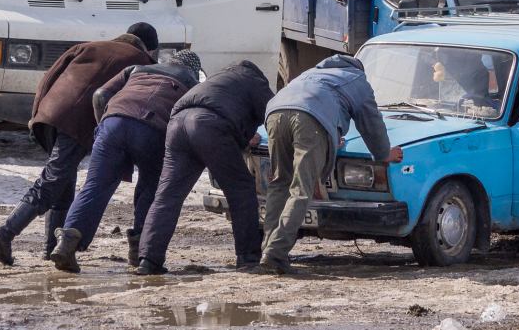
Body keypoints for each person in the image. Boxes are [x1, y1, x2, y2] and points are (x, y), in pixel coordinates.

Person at [0, 25, 157, 266]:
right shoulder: (141, 61)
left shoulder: (88, 46)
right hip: (77, 121)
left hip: (49, 112)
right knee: (52, 182)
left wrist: (36, 115)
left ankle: (50, 250)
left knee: (62, 182)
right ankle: (6, 232)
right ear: (148, 47)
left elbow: (48, 77)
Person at [50, 50, 202, 273]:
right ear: (194, 70)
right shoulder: (191, 83)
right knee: (150, 189)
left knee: (94, 186)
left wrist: (103, 125)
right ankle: (140, 252)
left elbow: (100, 95)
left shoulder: (136, 69)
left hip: (113, 123)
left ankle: (67, 241)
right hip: (153, 130)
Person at [260, 55, 403, 274]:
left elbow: (317, 102)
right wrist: (384, 154)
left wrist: (330, 134)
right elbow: (371, 123)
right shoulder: (357, 79)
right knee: (301, 189)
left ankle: (267, 247)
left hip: (275, 113)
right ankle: (276, 254)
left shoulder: (311, 73)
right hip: (309, 118)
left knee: (280, 183)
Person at [136, 61, 274, 275]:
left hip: (177, 125)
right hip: (208, 126)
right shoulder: (255, 81)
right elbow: (274, 116)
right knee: (242, 189)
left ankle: (148, 260)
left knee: (167, 196)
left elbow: (228, 108)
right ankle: (248, 258)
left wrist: (243, 135)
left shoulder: (218, 78)